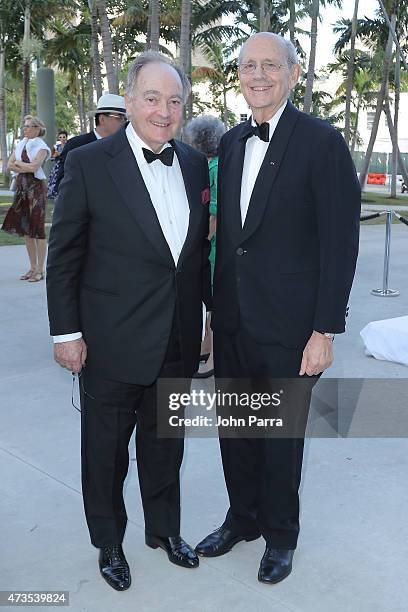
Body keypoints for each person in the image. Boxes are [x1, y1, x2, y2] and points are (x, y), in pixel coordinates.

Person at [195, 32, 361, 584]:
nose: (259, 75)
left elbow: (339, 244)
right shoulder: (234, 142)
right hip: (234, 319)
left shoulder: (321, 141)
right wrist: (214, 317)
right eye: (249, 66)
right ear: (237, 76)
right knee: (235, 431)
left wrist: (324, 329)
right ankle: (242, 519)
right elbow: (231, 239)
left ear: (292, 73)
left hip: (292, 326)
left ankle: (281, 535)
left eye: (271, 65)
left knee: (281, 437)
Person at [46, 51, 211, 592]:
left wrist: (205, 320)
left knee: (167, 447)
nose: (163, 110)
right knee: (107, 453)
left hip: (177, 339)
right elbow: (65, 254)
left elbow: (186, 259)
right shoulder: (91, 163)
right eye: (152, 97)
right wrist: (66, 332)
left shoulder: (189, 162)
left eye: (174, 100)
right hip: (110, 342)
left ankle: (164, 532)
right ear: (129, 98)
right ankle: (109, 542)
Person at [185, 115, 225, 378]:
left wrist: (202, 242)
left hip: (213, 247)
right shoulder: (208, 164)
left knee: (216, 300)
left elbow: (214, 213)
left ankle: (214, 357)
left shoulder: (215, 168)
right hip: (209, 246)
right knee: (209, 300)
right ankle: (207, 345)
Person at [2, 115, 51, 282]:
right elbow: (9, 165)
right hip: (21, 187)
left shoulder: (42, 146)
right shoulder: (21, 144)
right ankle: (31, 267)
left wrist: (19, 165)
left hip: (36, 187)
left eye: (29, 126)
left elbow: (34, 167)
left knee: (37, 229)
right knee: (26, 229)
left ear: (38, 129)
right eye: (25, 126)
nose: (25, 129)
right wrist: (24, 166)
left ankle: (40, 269)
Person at [53, 93, 127, 193]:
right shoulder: (76, 145)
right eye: (120, 117)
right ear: (102, 119)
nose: (124, 122)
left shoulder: (125, 148)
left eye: (125, 119)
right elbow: (62, 183)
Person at [47, 130, 68, 200]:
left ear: (66, 137)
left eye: (64, 137)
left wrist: (61, 155)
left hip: (66, 166)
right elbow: (52, 158)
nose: (62, 139)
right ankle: (55, 194)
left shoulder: (69, 146)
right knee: (55, 180)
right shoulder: (56, 147)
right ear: (58, 138)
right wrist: (55, 155)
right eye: (60, 137)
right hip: (57, 167)